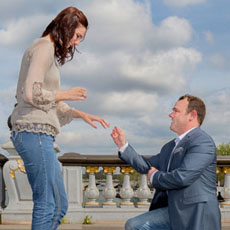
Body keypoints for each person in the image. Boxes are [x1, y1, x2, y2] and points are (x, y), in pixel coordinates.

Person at [10, 6, 110, 230]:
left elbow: (50, 100)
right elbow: (31, 94)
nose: (77, 42)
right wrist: (66, 93)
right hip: (32, 132)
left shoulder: (46, 50)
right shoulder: (43, 47)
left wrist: (79, 114)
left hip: (39, 134)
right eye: (77, 36)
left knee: (59, 205)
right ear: (67, 26)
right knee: (47, 203)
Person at [111, 94, 221, 230]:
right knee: (134, 225)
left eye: (176, 111)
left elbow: (183, 177)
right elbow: (147, 166)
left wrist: (155, 177)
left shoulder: (202, 141)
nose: (171, 114)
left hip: (195, 213)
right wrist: (123, 146)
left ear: (192, 115)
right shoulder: (169, 146)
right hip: (173, 211)